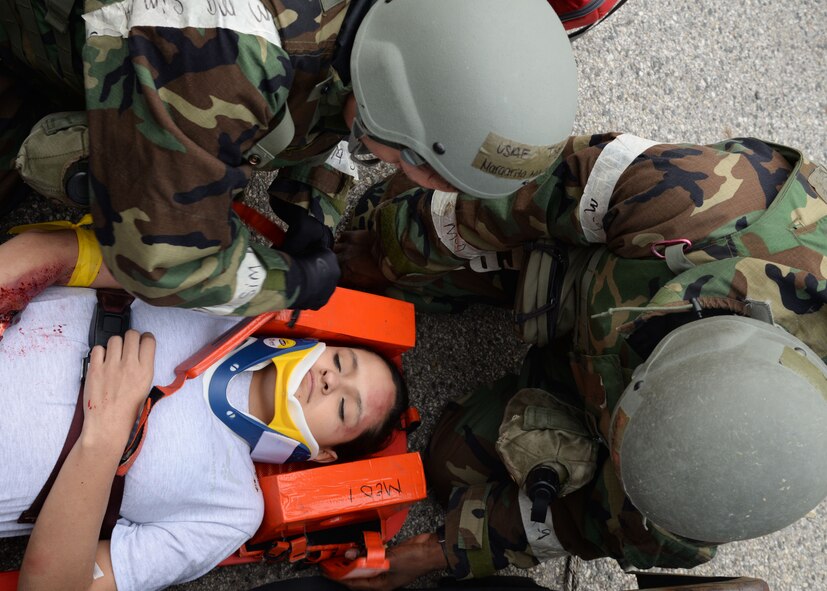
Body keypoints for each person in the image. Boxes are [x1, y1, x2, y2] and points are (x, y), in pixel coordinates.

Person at [330, 132, 827, 589]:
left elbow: (591, 522)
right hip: (600, 265)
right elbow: (550, 186)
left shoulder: (713, 490)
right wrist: (391, 253)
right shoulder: (711, 202)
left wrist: (439, 549)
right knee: (389, 217)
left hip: (612, 376)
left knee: (451, 469)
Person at [0, 0, 578, 316]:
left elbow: (336, 104)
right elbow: (162, 262)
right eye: (421, 164)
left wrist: (315, 200)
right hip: (39, 36)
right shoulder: (230, 59)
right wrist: (290, 283)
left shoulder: (406, 22)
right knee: (81, 169)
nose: (413, 178)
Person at [0, 230, 409, 591]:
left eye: (343, 408)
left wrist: (104, 437)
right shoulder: (231, 300)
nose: (330, 381)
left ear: (322, 453)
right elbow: (50, 252)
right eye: (340, 363)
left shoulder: (232, 510)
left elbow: (52, 586)